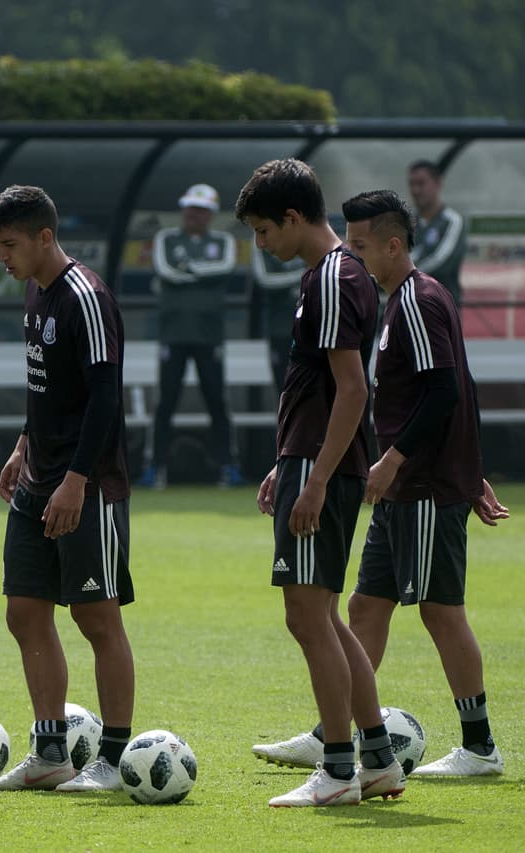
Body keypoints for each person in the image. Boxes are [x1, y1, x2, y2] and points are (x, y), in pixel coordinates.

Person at [253, 190, 509, 779]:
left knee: (440, 610)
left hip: (423, 484)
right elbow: (448, 388)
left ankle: (479, 746)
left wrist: (398, 462)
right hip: (405, 487)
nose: (353, 254)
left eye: (361, 245)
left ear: (394, 246)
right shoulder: (398, 302)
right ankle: (332, 732)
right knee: (365, 606)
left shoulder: (418, 299)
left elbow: (446, 392)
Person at [234, 159, 403, 807]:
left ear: (293, 217)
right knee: (325, 617)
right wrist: (288, 463)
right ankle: (377, 760)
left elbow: (353, 390)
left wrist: (316, 478)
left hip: (323, 468)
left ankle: (336, 770)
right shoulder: (331, 275)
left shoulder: (333, 277)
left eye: (262, 230)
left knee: (306, 616)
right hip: (309, 461)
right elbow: (320, 389)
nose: (260, 244)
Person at [0, 185, 137, 794]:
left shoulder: (86, 297)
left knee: (97, 617)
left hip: (85, 485)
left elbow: (104, 399)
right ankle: (49, 753)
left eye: (10, 244)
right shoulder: (35, 289)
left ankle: (112, 760)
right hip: (36, 480)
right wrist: (23, 446)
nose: (2, 257)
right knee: (24, 612)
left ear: (45, 237)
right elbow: (46, 385)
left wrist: (76, 480)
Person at [138, 183, 242, 489]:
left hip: (209, 335)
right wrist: (200, 273)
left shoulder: (222, 241)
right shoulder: (166, 238)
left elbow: (225, 267)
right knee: (165, 402)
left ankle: (228, 467)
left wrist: (189, 269)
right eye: (189, 208)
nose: (193, 214)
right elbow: (166, 271)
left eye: (200, 209)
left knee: (217, 401)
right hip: (173, 334)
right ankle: (154, 468)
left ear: (210, 213)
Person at [408, 160, 467, 306]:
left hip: (441, 310)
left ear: (438, 183)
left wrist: (398, 276)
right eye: (412, 184)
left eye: (421, 183)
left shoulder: (452, 221)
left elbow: (442, 263)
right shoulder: (405, 221)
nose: (415, 190)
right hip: (409, 308)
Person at [251, 248, 305, 390]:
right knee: (284, 383)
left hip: (312, 326)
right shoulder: (265, 242)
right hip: (281, 325)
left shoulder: (311, 239)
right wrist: (300, 276)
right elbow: (264, 279)